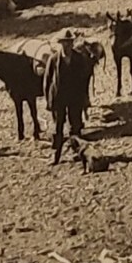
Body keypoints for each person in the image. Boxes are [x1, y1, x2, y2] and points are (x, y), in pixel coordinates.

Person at [44, 29, 93, 165]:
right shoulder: (53, 59)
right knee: (57, 127)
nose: (67, 46)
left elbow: (84, 80)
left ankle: (76, 152)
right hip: (59, 97)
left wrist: (84, 98)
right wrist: (49, 101)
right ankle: (56, 155)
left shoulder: (79, 58)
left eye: (69, 43)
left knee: (75, 126)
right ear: (60, 44)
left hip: (75, 97)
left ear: (72, 43)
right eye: (64, 43)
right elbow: (47, 81)